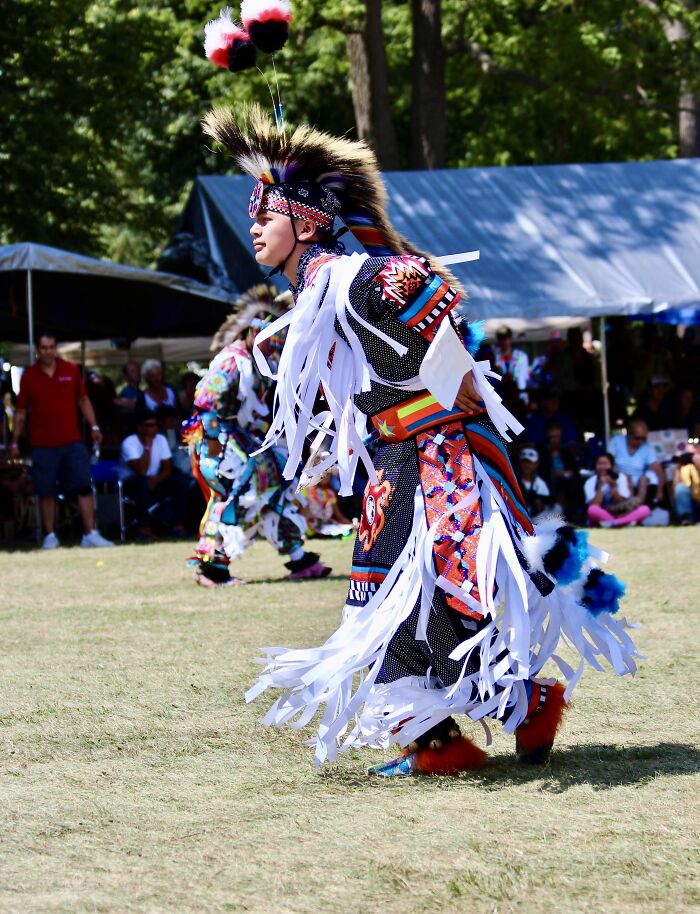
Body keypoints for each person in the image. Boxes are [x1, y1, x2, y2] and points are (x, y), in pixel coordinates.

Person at [202, 102, 638, 778]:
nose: (253, 223)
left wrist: (451, 385)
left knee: (421, 599)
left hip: (438, 460)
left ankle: (513, 709)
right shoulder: (320, 289)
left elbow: (426, 298)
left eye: (267, 212)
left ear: (309, 218)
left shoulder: (354, 278)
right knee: (390, 605)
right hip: (396, 459)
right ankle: (458, 733)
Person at [185, 283, 329, 587]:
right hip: (219, 444)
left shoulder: (258, 363)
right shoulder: (230, 363)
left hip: (242, 441)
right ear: (253, 332)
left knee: (275, 484)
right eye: (269, 339)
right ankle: (213, 567)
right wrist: (216, 452)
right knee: (243, 493)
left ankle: (298, 556)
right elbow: (207, 406)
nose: (273, 347)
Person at [10, 332, 114, 549]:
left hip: (72, 440)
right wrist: (14, 441)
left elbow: (83, 400)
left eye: (51, 347)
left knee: (84, 485)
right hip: (42, 443)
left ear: (56, 348)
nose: (48, 351)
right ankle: (50, 535)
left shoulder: (71, 369)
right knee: (45, 490)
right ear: (38, 350)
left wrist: (94, 426)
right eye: (44, 348)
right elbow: (20, 412)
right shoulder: (29, 376)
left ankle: (90, 533)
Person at [120, 406, 190, 541]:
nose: (154, 429)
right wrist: (147, 445)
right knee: (141, 482)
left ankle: (177, 525)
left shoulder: (161, 439)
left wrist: (157, 480)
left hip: (154, 480)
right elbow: (141, 471)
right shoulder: (129, 443)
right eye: (149, 426)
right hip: (131, 484)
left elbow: (167, 468)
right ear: (139, 427)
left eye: (155, 425)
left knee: (181, 483)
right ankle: (144, 529)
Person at [609, 418, 665, 508]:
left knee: (644, 479)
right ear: (628, 434)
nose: (641, 441)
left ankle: (637, 507)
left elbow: (658, 469)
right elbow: (609, 461)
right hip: (619, 476)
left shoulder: (647, 447)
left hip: (638, 478)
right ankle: (627, 507)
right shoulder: (616, 441)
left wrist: (660, 490)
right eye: (637, 438)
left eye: (644, 438)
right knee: (626, 479)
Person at [585, 453, 651, 527]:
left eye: (605, 464)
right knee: (592, 510)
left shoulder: (621, 478)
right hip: (604, 514)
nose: (602, 467)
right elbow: (594, 505)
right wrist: (600, 486)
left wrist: (613, 487)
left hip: (621, 513)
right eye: (599, 464)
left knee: (645, 509)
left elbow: (621, 501)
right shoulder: (590, 482)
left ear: (611, 466)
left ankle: (617, 523)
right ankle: (620, 523)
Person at [517, 447, 552, 521]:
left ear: (536, 464)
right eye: (524, 462)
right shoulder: (513, 481)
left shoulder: (540, 484)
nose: (526, 465)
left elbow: (545, 508)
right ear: (520, 463)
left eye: (529, 463)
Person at [493, 325, 530, 395]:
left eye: (506, 338)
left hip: (519, 394)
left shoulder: (521, 356)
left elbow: (524, 378)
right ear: (498, 340)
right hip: (501, 394)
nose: (504, 341)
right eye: (501, 338)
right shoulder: (494, 357)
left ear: (510, 339)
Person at [672, 449, 700, 525]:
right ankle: (686, 518)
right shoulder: (684, 467)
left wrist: (698, 464)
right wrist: (678, 466)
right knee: (681, 488)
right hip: (691, 502)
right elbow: (675, 489)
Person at [114, 360, 142, 434]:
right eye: (133, 371)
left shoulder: (141, 392)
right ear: (126, 376)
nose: (137, 373)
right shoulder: (126, 393)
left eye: (138, 370)